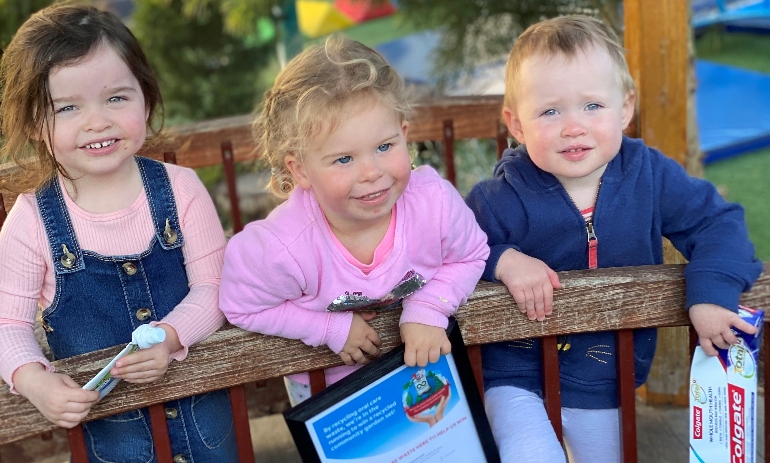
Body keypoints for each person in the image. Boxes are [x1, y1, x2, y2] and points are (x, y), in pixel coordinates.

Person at [465, 15, 763, 463]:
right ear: (517, 125)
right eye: (550, 111)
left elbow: (718, 224)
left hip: (606, 376)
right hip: (515, 372)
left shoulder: (650, 175)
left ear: (625, 109)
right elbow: (449, 249)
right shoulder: (499, 197)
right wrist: (503, 260)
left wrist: (712, 293)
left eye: (592, 106)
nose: (573, 126)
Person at [0, 6, 238, 462]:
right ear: (34, 124)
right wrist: (34, 380)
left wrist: (171, 337)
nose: (97, 121)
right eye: (67, 107)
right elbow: (8, 325)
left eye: (116, 98)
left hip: (208, 429)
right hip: (113, 444)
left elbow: (214, 287)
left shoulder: (181, 189)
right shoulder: (32, 222)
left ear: (145, 100)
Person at [219, 36, 489, 405]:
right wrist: (327, 327)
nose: (372, 172)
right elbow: (240, 305)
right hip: (329, 398)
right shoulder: (283, 246)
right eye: (344, 159)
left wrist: (429, 307)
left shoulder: (434, 204)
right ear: (300, 171)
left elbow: (472, 253)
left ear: (404, 136)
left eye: (384, 147)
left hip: (420, 373)